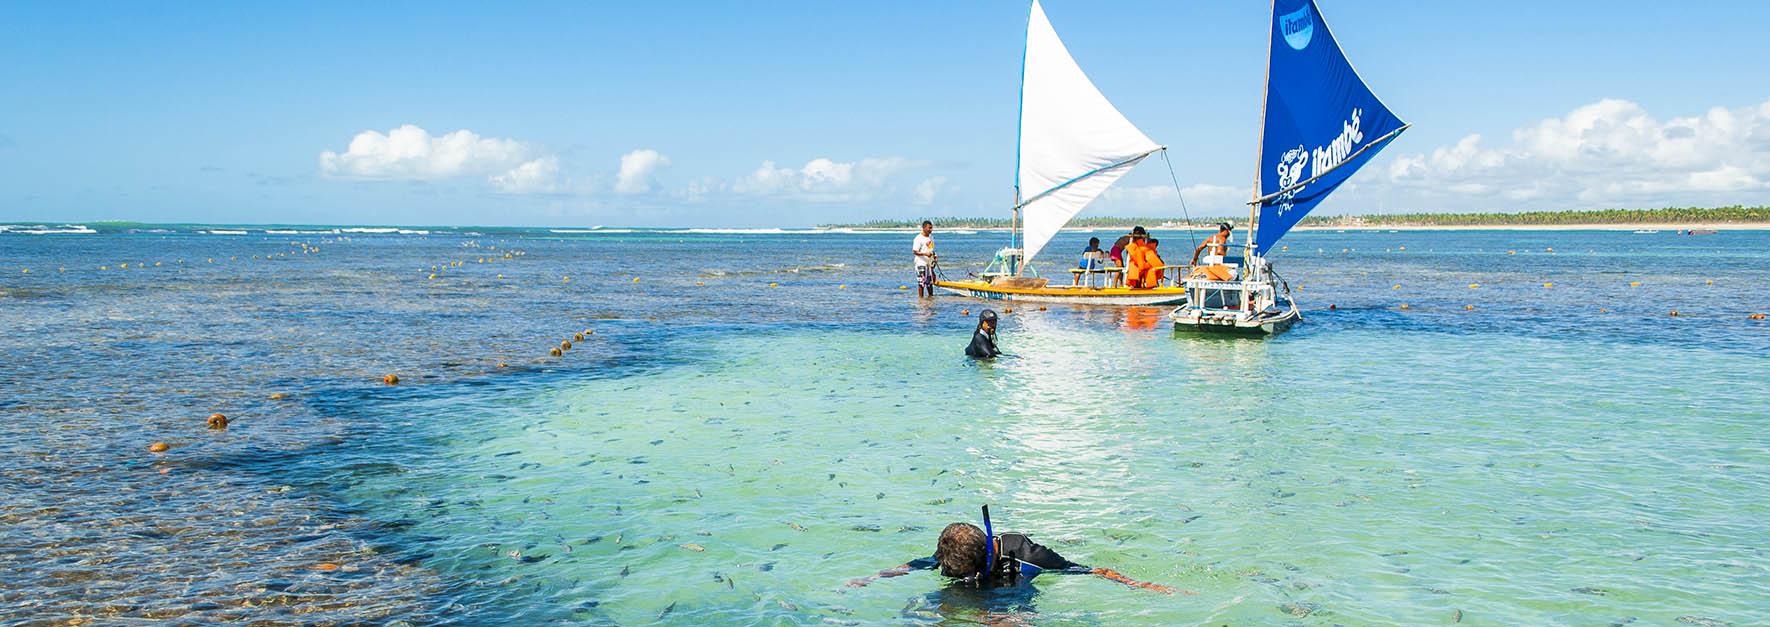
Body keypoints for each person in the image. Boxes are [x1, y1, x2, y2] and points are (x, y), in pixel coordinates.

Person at [847, 507, 1176, 594]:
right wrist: (872, 578)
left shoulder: (1027, 553)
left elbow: (1090, 570)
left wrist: (1143, 585)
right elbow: (919, 564)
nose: (945, 570)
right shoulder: (953, 548)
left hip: (1014, 592)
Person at [912, 221, 937, 298]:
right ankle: (921, 300)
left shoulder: (931, 237)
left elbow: (931, 249)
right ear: (924, 228)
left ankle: (931, 299)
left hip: (929, 264)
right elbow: (915, 251)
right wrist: (925, 254)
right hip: (921, 263)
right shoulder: (918, 238)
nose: (931, 229)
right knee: (922, 283)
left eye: (931, 228)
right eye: (929, 228)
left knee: (930, 283)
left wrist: (934, 256)